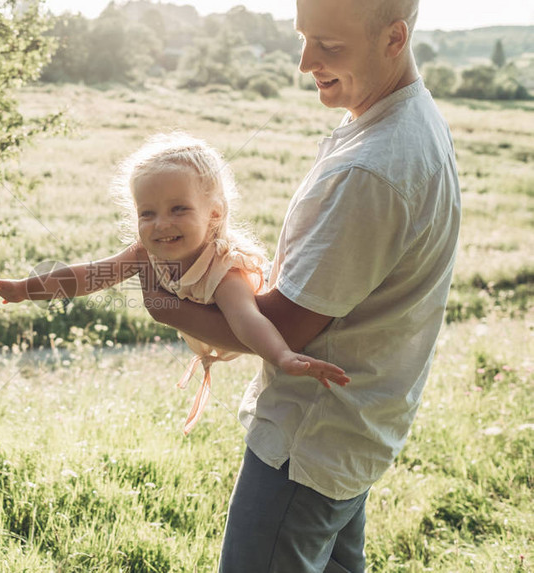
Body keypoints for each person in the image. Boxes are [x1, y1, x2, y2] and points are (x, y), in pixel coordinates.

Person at [142, 0, 461, 570]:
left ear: (394, 38)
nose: (304, 62)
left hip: (310, 439)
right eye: (303, 38)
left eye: (329, 46)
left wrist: (165, 301)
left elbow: (282, 329)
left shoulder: (371, 169)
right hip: (354, 426)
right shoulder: (404, 116)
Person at [0, 132, 349, 434]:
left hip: (276, 344)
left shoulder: (224, 268)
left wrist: (282, 357)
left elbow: (246, 319)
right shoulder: (146, 252)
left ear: (214, 213)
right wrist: (25, 289)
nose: (160, 224)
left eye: (178, 209)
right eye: (147, 213)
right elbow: (87, 275)